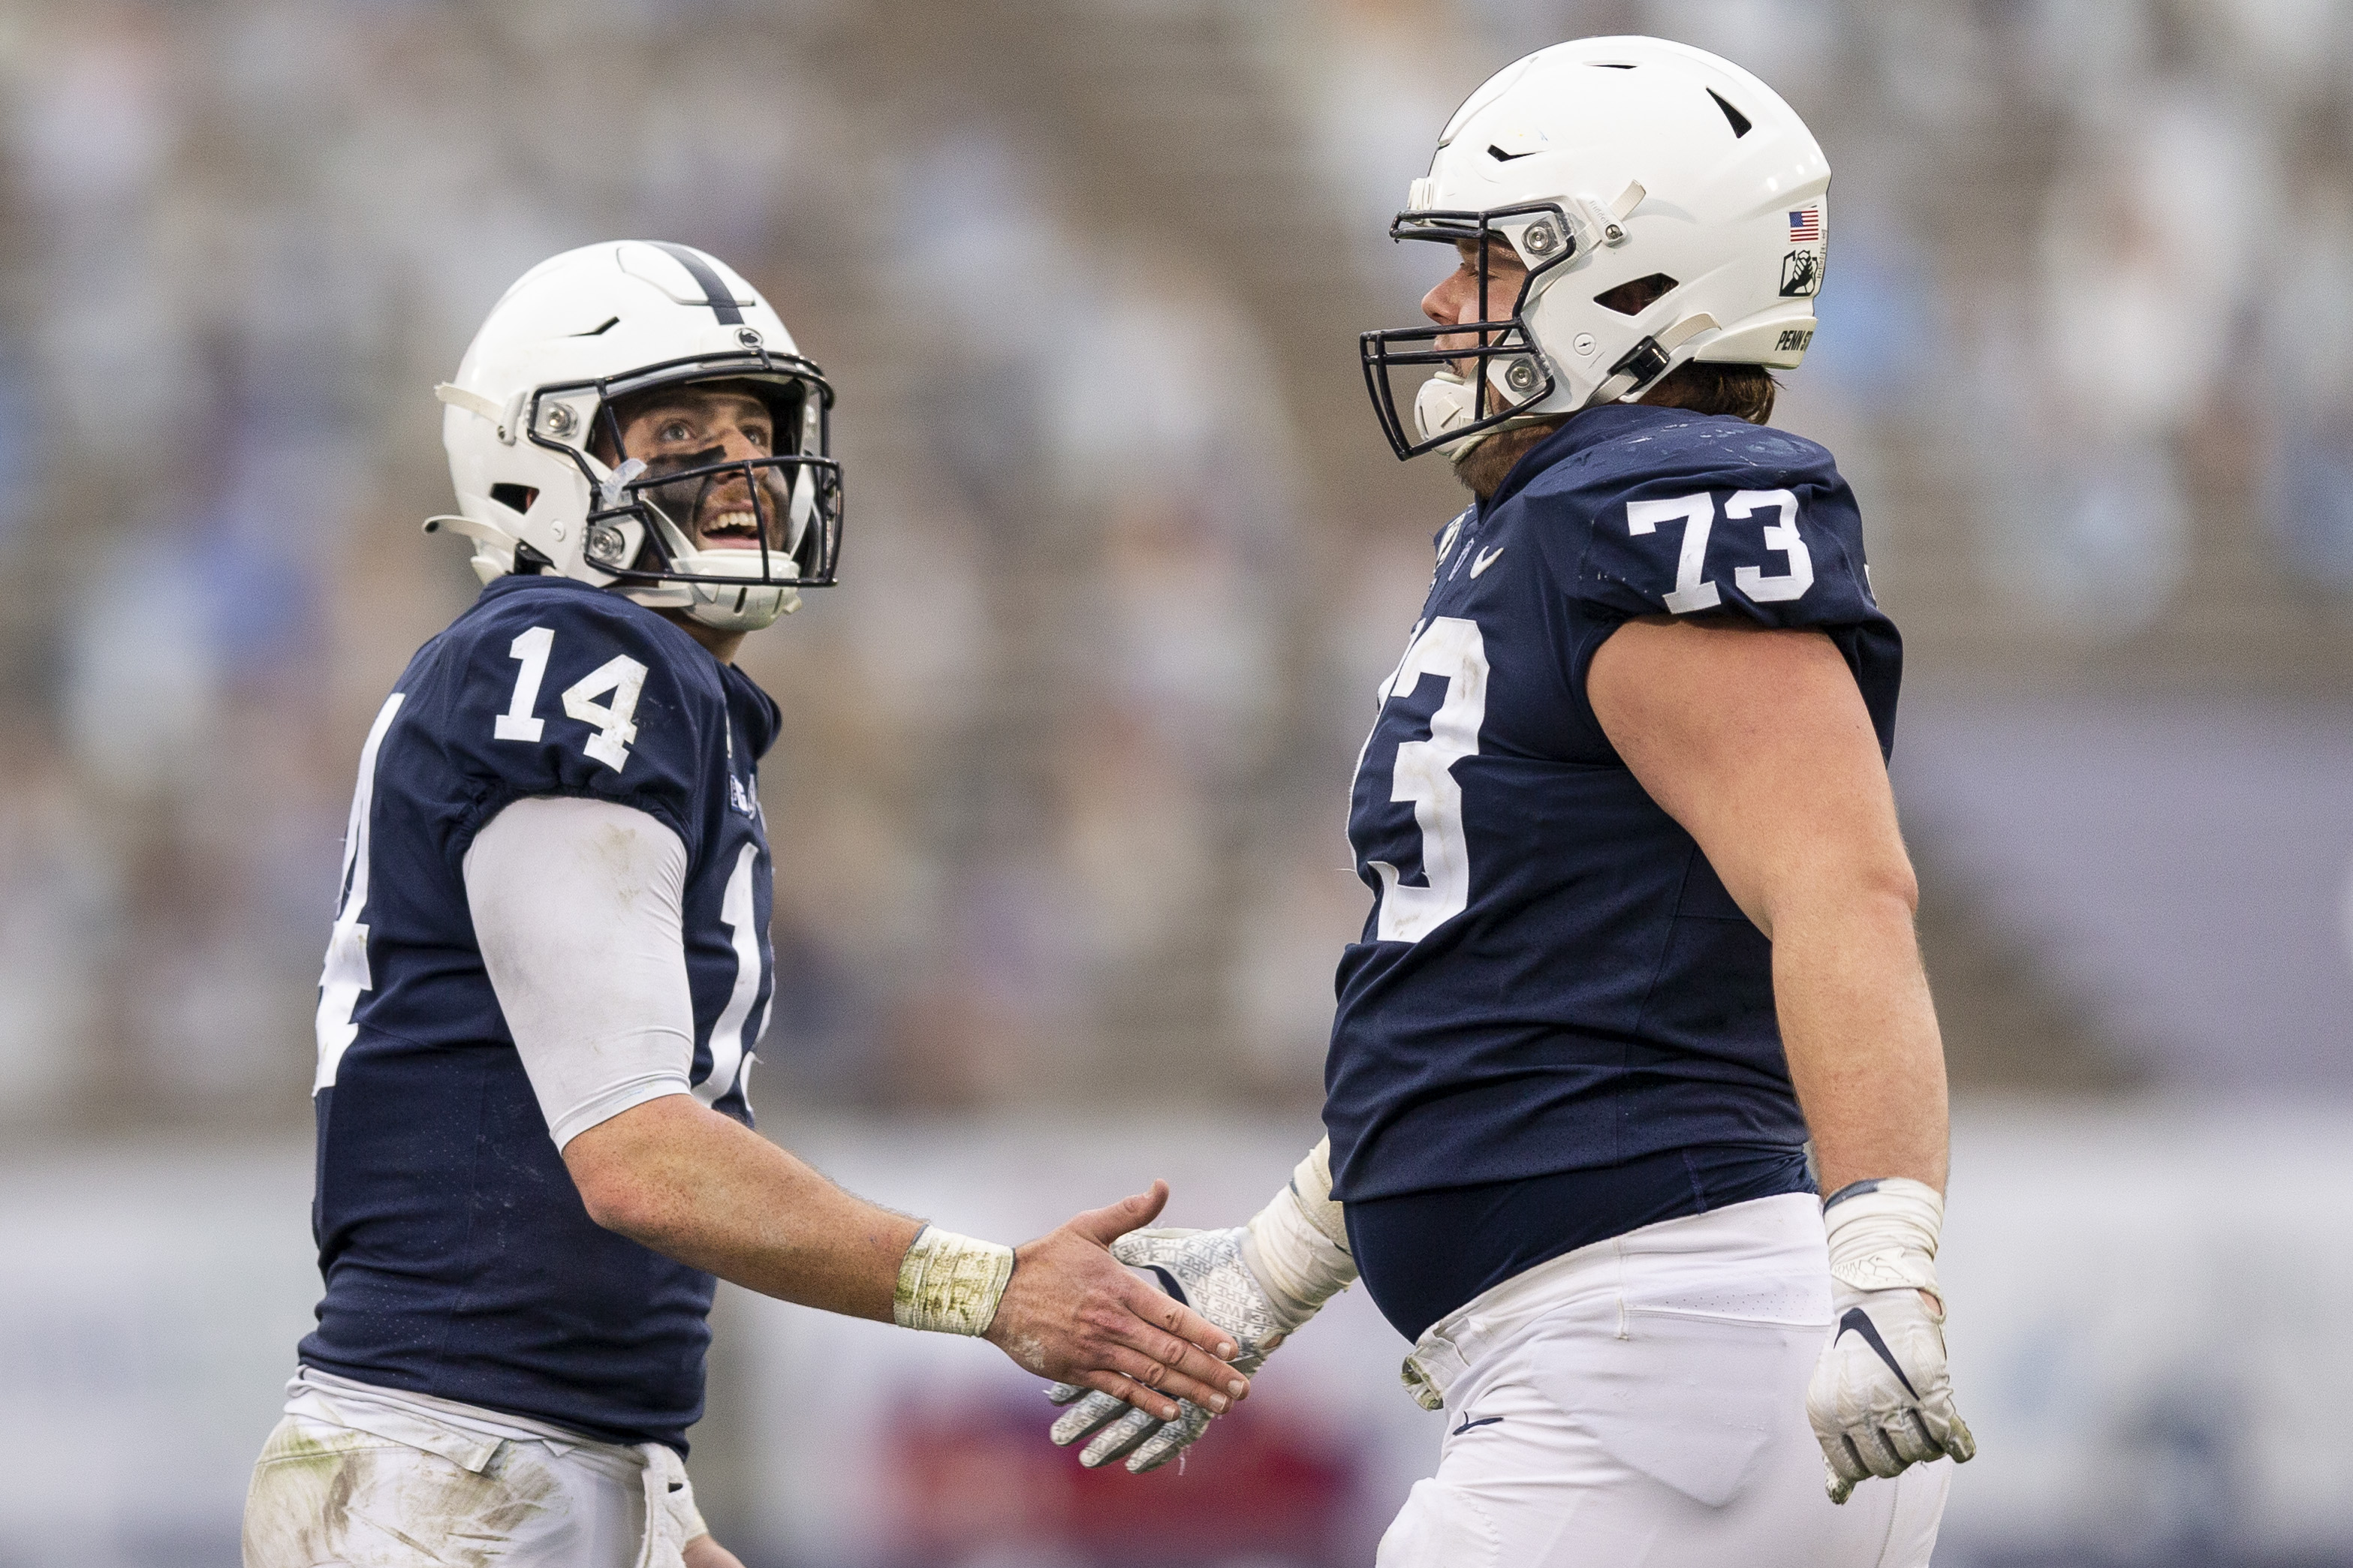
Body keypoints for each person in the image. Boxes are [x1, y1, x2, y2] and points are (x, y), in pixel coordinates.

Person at [1045, 37, 1972, 1565]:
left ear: (1632, 283)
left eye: (1486, 261)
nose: (1437, 305)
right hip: (1642, 1367)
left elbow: (1843, 883)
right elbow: (1504, 983)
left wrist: (1887, 1264)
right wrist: (1273, 1269)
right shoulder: (1544, 530)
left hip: (1654, 1361)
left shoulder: (1649, 504)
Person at [242, 241, 1249, 1568]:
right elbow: (638, 1155)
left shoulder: (644, 682)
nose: (740, 469)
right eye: (676, 431)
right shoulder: (570, 655)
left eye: (754, 430)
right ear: (543, 457)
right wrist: (990, 1287)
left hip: (525, 1456)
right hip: (453, 1464)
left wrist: (659, 1507)